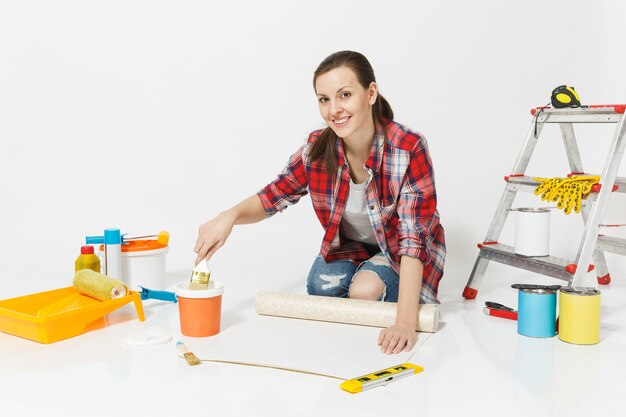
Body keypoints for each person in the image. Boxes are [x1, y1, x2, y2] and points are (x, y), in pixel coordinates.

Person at [194, 50, 446, 354]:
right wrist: (228, 217)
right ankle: (366, 270)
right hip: (351, 246)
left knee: (364, 293)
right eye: (324, 99)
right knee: (320, 288)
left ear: (370, 93)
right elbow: (275, 194)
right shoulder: (317, 147)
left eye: (345, 95)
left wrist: (405, 321)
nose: (334, 109)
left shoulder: (407, 147)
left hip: (398, 250)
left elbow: (412, 240)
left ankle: (376, 278)